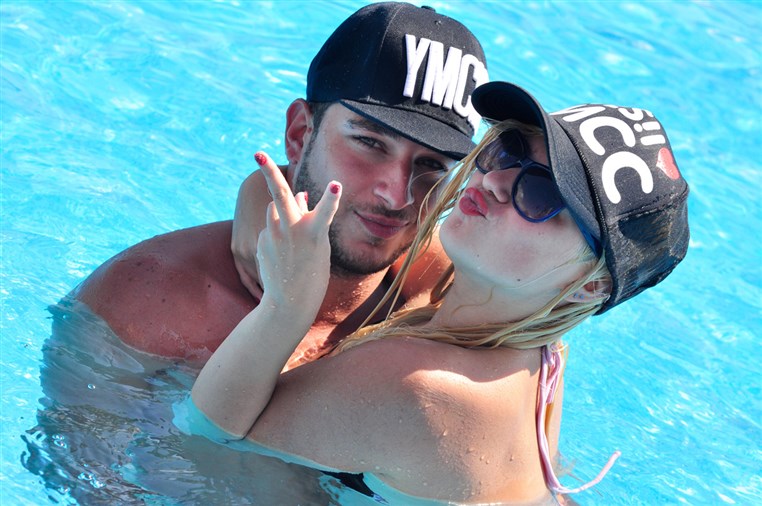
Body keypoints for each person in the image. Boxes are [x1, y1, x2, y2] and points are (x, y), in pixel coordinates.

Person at [186, 82, 690, 504]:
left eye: (542, 194)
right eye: (507, 150)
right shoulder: (543, 354)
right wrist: (260, 190)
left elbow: (208, 433)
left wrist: (283, 308)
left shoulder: (421, 387)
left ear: (591, 285)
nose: (495, 180)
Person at [70, 2, 489, 363]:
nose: (397, 195)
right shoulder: (147, 306)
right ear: (299, 134)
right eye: (369, 143)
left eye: (432, 164)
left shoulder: (449, 299)